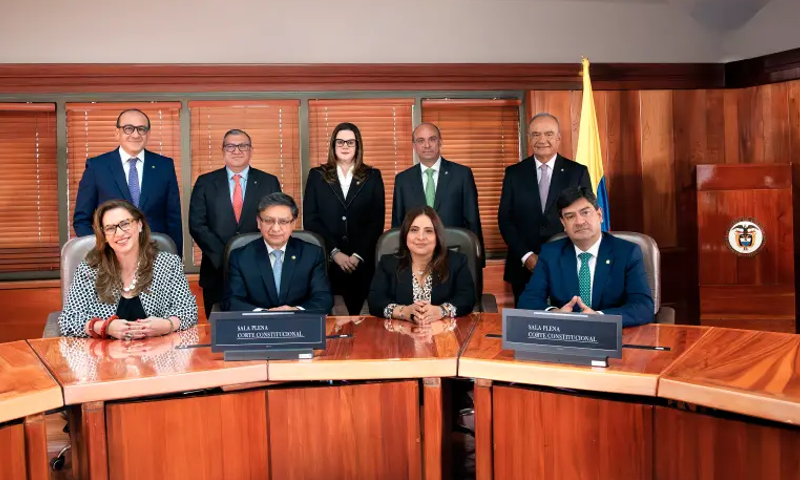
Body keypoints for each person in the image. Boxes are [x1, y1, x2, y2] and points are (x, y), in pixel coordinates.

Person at [59, 199, 198, 339]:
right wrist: (105, 327)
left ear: (139, 225)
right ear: (104, 236)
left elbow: (188, 311)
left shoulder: (168, 264)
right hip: (106, 351)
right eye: (110, 228)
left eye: (125, 224)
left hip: (158, 349)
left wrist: (166, 325)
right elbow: (68, 320)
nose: (119, 233)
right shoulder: (89, 270)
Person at [518, 187, 653, 327]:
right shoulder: (551, 253)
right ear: (563, 224)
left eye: (585, 212)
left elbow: (643, 307)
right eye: (570, 216)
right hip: (567, 333)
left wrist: (600, 317)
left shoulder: (627, 252)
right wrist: (555, 313)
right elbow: (528, 301)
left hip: (613, 333)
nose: (579, 221)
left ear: (599, 215)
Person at [499, 113, 591, 306]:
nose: (542, 140)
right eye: (536, 134)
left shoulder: (577, 172)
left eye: (548, 134)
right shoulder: (514, 173)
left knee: (567, 318)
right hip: (524, 267)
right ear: (529, 138)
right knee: (527, 320)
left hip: (567, 263)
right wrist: (526, 256)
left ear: (558, 138)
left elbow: (585, 217)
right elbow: (505, 220)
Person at [189, 129, 282, 317]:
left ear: (251, 150)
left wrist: (249, 257)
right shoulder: (205, 182)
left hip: (259, 268)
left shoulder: (269, 182)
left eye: (243, 146)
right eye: (230, 146)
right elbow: (197, 225)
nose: (237, 151)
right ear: (223, 150)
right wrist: (225, 257)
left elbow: (276, 222)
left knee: (259, 325)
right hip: (216, 270)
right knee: (218, 327)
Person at [73, 109, 183, 253]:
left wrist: (175, 258)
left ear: (148, 134)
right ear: (117, 132)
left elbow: (174, 220)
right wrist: (102, 252)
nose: (136, 134)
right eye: (128, 128)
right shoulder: (97, 167)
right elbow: (82, 220)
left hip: (155, 254)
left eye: (141, 129)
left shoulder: (164, 166)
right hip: (112, 255)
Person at [303, 123, 385, 315]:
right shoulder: (317, 175)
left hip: (361, 263)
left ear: (358, 145)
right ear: (333, 145)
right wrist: (334, 252)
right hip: (328, 261)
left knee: (361, 320)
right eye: (340, 142)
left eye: (350, 142)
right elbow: (311, 219)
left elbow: (376, 221)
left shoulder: (372, 176)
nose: (345, 146)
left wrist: (358, 255)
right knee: (332, 321)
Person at [223, 192, 333, 313]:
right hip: (256, 323)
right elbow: (232, 300)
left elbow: (323, 298)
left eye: (283, 221)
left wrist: (296, 311)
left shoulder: (312, 254)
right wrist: (264, 314)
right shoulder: (240, 257)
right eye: (268, 221)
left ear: (293, 223)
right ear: (259, 222)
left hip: (299, 322)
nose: (275, 228)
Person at [369, 206, 475, 329]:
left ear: (437, 236)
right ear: (405, 234)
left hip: (445, 335)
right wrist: (403, 312)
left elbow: (467, 298)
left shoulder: (457, 262)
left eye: (428, 231)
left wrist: (441, 311)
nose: (420, 237)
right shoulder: (388, 263)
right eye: (414, 230)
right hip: (401, 334)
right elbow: (375, 300)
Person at [391, 122, 484, 264]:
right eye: (420, 141)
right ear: (414, 146)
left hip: (454, 254)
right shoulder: (402, 180)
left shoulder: (462, 174)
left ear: (440, 142)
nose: (427, 145)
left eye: (432, 139)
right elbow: (398, 225)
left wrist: (477, 260)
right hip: (415, 258)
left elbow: (473, 220)